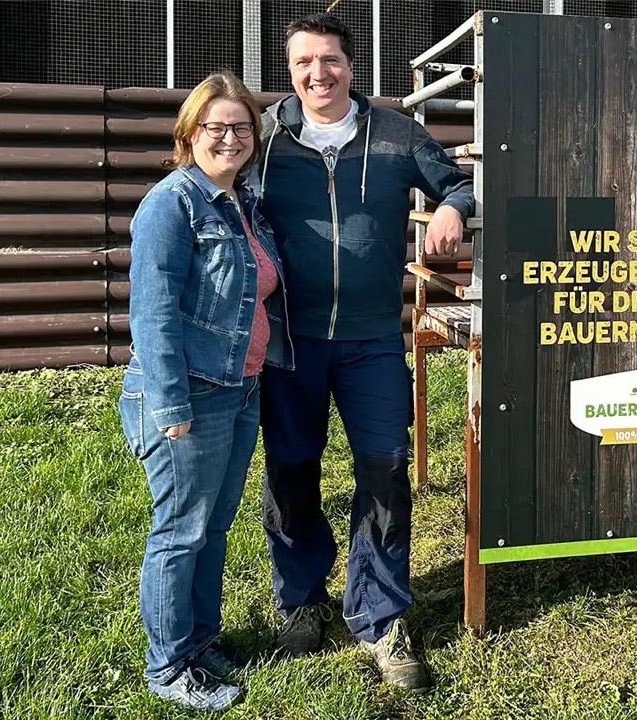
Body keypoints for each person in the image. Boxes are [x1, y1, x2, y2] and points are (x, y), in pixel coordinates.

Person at [244, 12, 473, 694]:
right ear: (290, 71)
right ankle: (302, 599)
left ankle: (379, 616)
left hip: (373, 339)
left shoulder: (397, 133)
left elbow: (456, 181)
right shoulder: (265, 136)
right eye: (304, 62)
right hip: (292, 339)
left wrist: (455, 209)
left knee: (385, 470)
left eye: (332, 60)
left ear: (353, 64)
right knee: (291, 470)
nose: (319, 73)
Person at [119, 69, 294, 711]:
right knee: (180, 531)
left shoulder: (243, 203)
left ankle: (200, 640)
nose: (230, 138)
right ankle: (167, 667)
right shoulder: (172, 203)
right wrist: (170, 407)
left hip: (240, 386)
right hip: (186, 393)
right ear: (189, 133)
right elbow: (153, 313)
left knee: (213, 525)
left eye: (241, 127)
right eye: (216, 127)